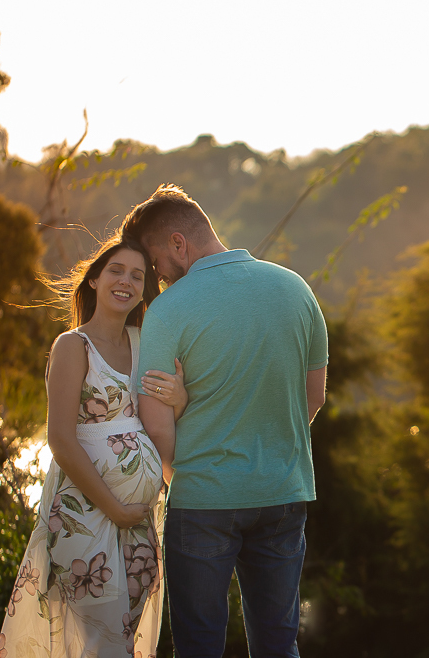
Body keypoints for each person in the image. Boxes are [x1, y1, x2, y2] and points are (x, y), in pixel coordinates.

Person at [122, 184, 329, 658]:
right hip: (283, 494)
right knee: (279, 644)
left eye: (156, 264)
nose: (157, 278)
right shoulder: (296, 287)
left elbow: (156, 425)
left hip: (202, 502)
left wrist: (180, 476)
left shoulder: (169, 310)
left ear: (179, 244)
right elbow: (312, 399)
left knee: (198, 648)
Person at [0, 236, 185, 658]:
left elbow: (164, 416)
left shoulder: (144, 341)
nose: (127, 281)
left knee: (123, 633)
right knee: (100, 641)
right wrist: (113, 509)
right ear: (95, 279)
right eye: (117, 270)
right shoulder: (73, 346)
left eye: (138, 276)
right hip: (84, 515)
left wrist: (181, 400)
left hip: (139, 522)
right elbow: (61, 441)